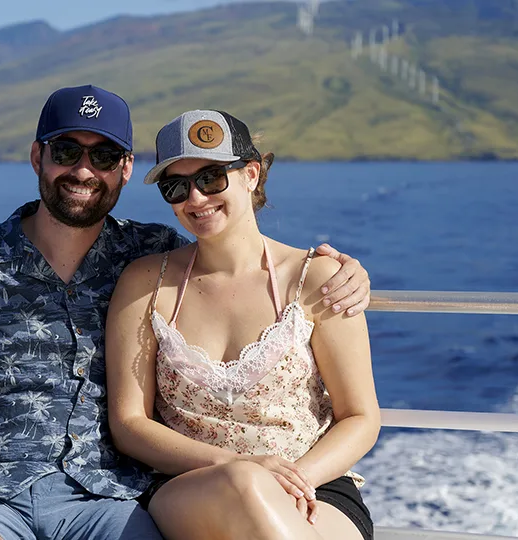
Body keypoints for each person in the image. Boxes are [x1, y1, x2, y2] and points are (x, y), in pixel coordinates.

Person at [0, 86, 373, 540]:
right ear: (38, 157)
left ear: (125, 167)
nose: (83, 170)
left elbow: (232, 257)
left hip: (109, 497)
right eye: (67, 152)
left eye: (104, 155)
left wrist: (344, 270)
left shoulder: (146, 253)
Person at [105, 109, 380, 540]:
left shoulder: (318, 279)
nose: (195, 199)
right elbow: (129, 424)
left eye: (211, 178)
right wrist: (240, 467)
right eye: (176, 187)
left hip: (315, 485)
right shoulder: (146, 284)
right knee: (244, 485)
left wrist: (293, 478)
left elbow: (361, 417)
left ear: (251, 174)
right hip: (190, 486)